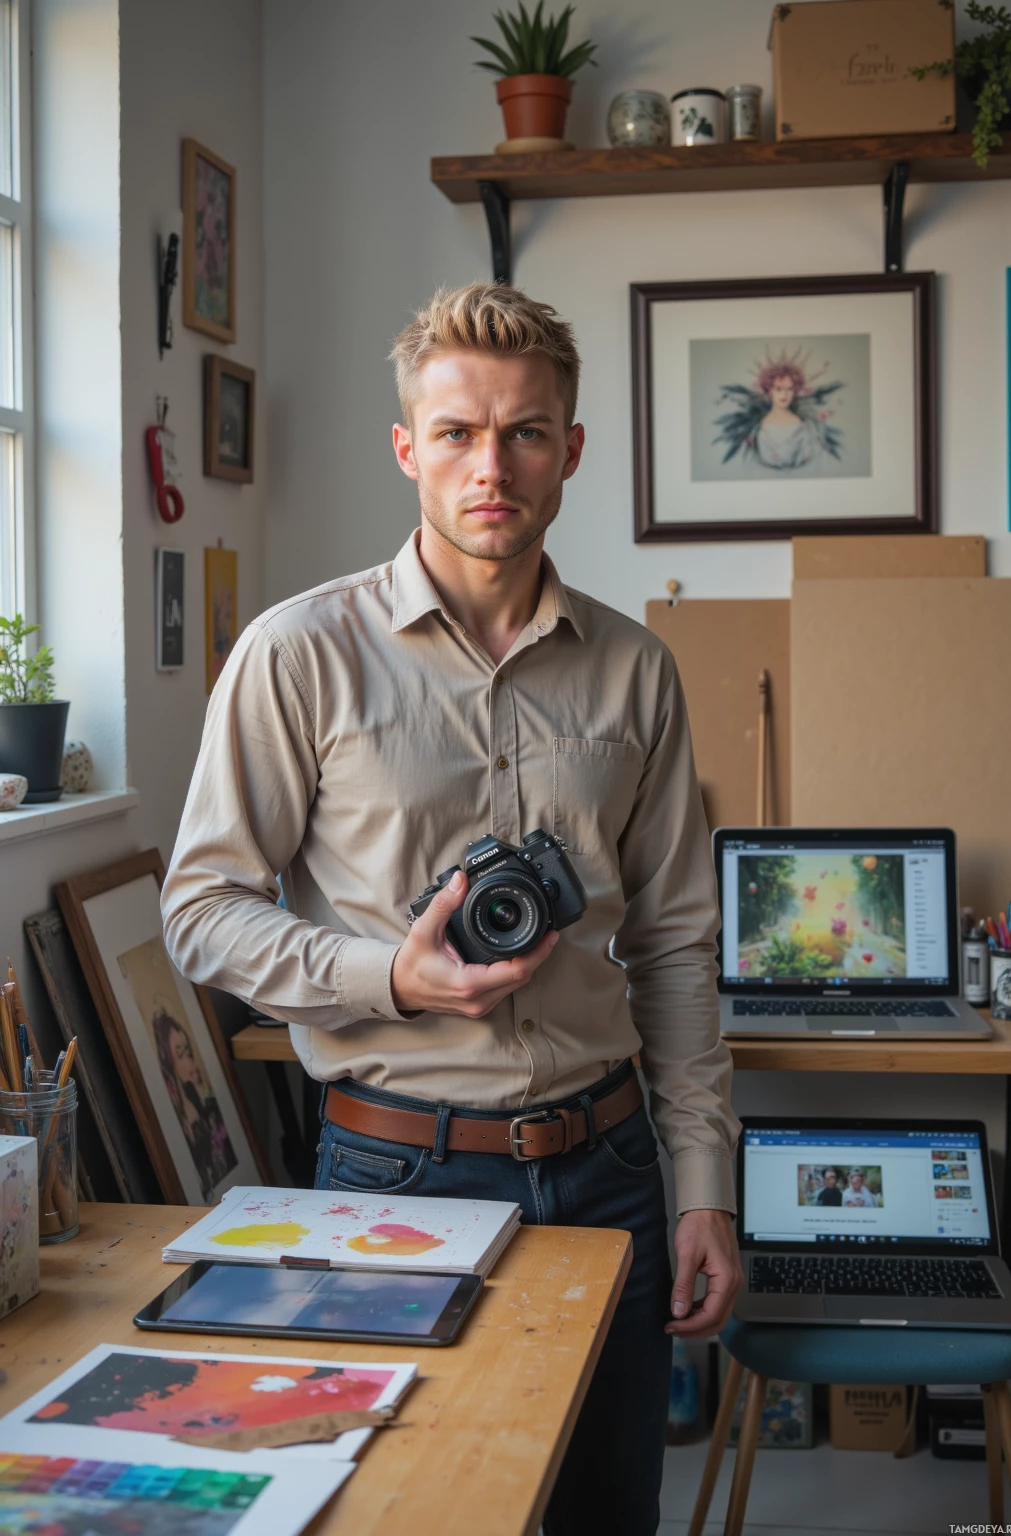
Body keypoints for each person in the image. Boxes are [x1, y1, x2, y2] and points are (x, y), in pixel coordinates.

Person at [161, 282, 742, 1536]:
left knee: (607, 1516)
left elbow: (678, 948)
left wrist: (704, 1187)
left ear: (571, 450)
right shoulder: (297, 653)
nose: (494, 465)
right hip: (392, 1171)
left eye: (528, 431)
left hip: (614, 1167)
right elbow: (201, 910)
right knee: (404, 1515)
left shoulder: (636, 669)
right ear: (407, 448)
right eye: (459, 433)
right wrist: (394, 978)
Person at [151, 1007, 236, 1200]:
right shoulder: (173, 1115)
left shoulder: (198, 1099)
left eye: (189, 1053)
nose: (190, 1063)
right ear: (167, 1061)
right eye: (180, 1055)